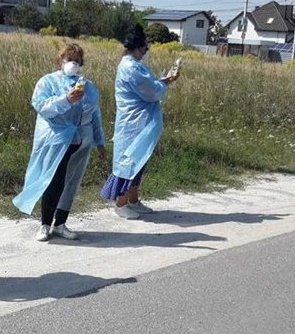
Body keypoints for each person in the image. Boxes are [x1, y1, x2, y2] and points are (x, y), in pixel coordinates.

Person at [13, 43, 106, 241]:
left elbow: (95, 115)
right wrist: (66, 99)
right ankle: (45, 224)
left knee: (71, 183)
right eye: (68, 59)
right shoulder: (47, 82)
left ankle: (60, 223)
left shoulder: (88, 87)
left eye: (77, 61)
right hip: (56, 141)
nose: (73, 63)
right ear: (60, 60)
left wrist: (100, 141)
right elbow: (42, 107)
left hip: (80, 142)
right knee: (53, 182)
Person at [100, 23, 179, 219]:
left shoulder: (135, 66)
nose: (146, 52)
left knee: (139, 161)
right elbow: (151, 92)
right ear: (138, 47)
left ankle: (133, 200)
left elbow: (150, 86)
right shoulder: (130, 67)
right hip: (133, 123)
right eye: (145, 48)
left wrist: (163, 81)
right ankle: (121, 203)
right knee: (127, 162)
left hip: (140, 123)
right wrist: (167, 81)